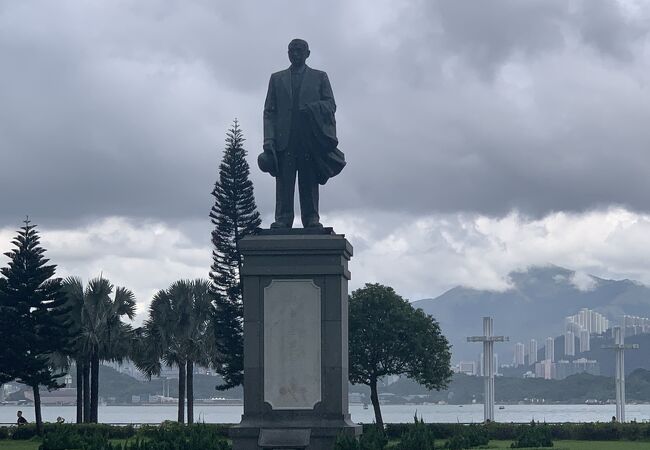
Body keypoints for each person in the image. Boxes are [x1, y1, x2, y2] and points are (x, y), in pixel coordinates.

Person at [260, 39, 344, 229]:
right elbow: (269, 111)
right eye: (291, 50)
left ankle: (311, 217)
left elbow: (331, 105)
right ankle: (283, 218)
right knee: (284, 182)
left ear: (308, 53)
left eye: (299, 50)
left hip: (308, 139)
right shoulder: (276, 78)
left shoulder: (320, 77)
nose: (295, 53)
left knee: (309, 180)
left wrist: (313, 108)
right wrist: (268, 139)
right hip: (284, 140)